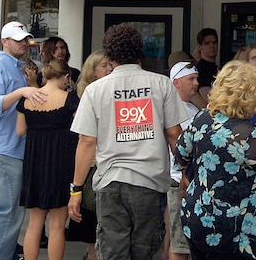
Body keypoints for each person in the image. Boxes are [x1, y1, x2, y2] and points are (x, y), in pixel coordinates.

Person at [68, 24, 186, 260]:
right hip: (150, 182)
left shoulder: (94, 90)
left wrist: (76, 190)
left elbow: (87, 142)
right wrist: (184, 173)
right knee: (144, 251)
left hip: (111, 183)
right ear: (140, 51)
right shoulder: (162, 84)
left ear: (109, 56)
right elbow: (174, 134)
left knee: (112, 252)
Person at [174, 60, 256, 260]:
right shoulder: (248, 136)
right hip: (238, 233)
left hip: (199, 221)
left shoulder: (201, 119)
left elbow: (180, 154)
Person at [0, 21, 48, 260]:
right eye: (18, 39)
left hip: (2, 148)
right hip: (1, 149)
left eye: (25, 39)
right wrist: (22, 92)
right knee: (8, 213)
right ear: (4, 41)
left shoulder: (15, 67)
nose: (24, 43)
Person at [16, 59, 79, 260]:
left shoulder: (27, 99)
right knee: (57, 225)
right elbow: (80, 130)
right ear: (66, 77)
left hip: (34, 163)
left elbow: (20, 131)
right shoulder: (69, 99)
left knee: (34, 224)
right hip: (60, 163)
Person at [67, 50, 112, 260]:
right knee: (92, 223)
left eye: (110, 64)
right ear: (92, 71)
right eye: (103, 65)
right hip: (92, 164)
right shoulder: (87, 93)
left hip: (109, 163)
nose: (109, 68)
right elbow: (86, 139)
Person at [166, 61, 202, 260]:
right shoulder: (171, 108)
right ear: (176, 82)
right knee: (180, 243)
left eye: (197, 78)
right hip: (179, 180)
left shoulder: (193, 108)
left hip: (193, 181)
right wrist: (181, 173)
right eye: (191, 79)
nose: (196, 83)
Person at [192, 28, 219, 100]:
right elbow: (207, 97)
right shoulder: (201, 69)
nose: (212, 46)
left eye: (214, 42)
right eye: (207, 43)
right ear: (200, 46)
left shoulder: (216, 68)